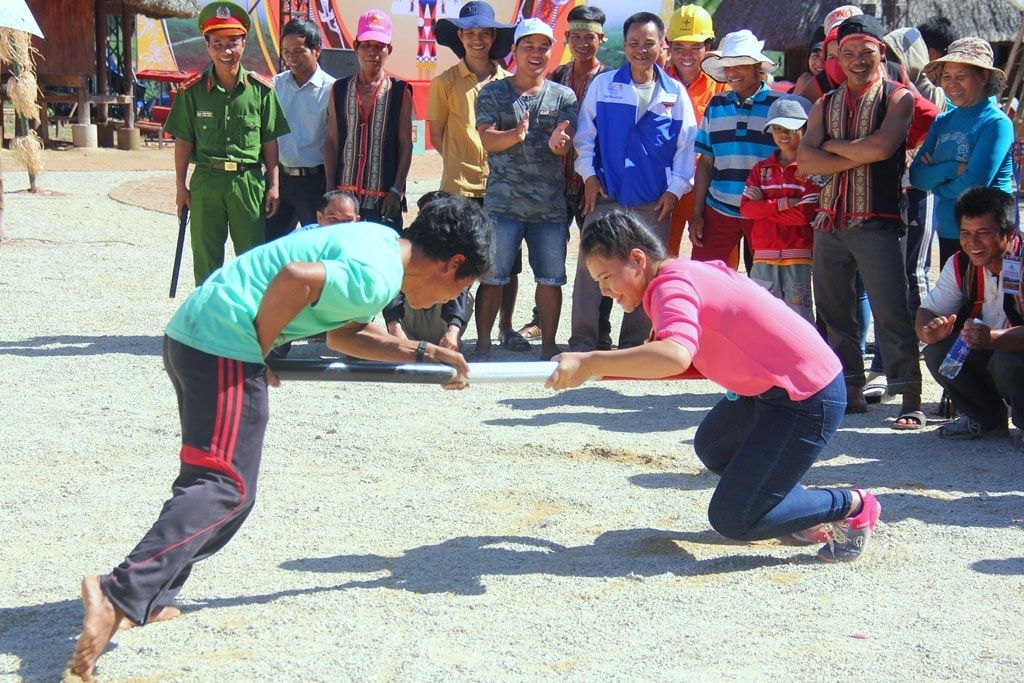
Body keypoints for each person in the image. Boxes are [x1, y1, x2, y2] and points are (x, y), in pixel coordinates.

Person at [69, 196, 496, 682]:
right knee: (224, 486)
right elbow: (297, 277)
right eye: (462, 285)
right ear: (453, 263)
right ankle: (119, 593)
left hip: (198, 335)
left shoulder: (378, 245)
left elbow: (345, 336)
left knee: (220, 485)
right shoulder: (376, 275)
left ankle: (148, 594)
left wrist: (421, 351)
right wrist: (263, 347)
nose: (449, 301)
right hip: (225, 344)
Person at [545, 211, 881, 563]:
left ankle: (853, 506)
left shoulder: (669, 286)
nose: (603, 289)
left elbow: (674, 355)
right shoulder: (683, 273)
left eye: (606, 276)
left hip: (806, 395)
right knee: (714, 445)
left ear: (638, 259)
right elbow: (678, 358)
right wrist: (592, 368)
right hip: (770, 388)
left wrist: (590, 361)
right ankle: (791, 509)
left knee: (734, 519)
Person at [797, 14, 924, 428]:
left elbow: (883, 148)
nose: (856, 60)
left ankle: (910, 396)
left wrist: (830, 146)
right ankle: (849, 389)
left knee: (891, 311)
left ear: (880, 53)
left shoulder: (898, 97)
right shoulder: (824, 102)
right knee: (836, 313)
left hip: (877, 219)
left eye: (865, 52)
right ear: (836, 57)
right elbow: (804, 159)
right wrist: (853, 149)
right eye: (847, 53)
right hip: (829, 222)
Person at [570, 11, 697, 353]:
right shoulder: (604, 85)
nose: (642, 50)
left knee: (647, 273)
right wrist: (590, 177)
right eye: (635, 43)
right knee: (590, 268)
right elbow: (585, 136)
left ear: (662, 46)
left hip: (653, 202)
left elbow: (686, 147)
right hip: (607, 197)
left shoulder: (675, 94)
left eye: (649, 44)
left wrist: (675, 190)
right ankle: (583, 342)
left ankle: (633, 347)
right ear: (624, 46)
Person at [162, 0, 290, 284]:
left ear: (244, 42)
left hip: (248, 183)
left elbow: (270, 141)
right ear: (207, 45)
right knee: (207, 258)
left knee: (251, 259)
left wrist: (274, 185)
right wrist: (180, 185)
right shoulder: (192, 92)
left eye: (232, 42)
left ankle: (249, 322)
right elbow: (183, 141)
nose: (226, 51)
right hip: (207, 182)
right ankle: (207, 324)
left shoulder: (261, 91)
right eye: (217, 44)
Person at [473, 18, 578, 361]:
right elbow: (487, 138)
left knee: (551, 279)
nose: (536, 53)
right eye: (528, 46)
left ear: (551, 52)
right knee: (493, 277)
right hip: (502, 205)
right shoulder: (493, 92)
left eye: (543, 47)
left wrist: (560, 146)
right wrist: (514, 135)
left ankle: (548, 346)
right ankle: (484, 344)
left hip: (548, 208)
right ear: (514, 51)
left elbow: (567, 144)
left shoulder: (564, 96)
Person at [429, 1, 527, 352]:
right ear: (460, 36)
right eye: (470, 32)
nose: (478, 39)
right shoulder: (444, 82)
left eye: (485, 33)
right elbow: (437, 137)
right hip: (458, 188)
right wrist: (464, 162)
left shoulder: (510, 83)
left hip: (503, 187)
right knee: (459, 262)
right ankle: (453, 331)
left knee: (507, 265)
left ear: (494, 37)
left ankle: (505, 327)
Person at [521, 3, 612, 347]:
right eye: (576, 36)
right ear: (567, 38)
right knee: (549, 254)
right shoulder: (554, 76)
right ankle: (541, 321)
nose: (583, 43)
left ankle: (598, 327)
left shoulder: (611, 79)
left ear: (601, 38)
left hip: (594, 183)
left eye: (589, 37)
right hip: (555, 184)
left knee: (597, 254)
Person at [916, 187, 1024, 443]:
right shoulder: (959, 264)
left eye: (983, 234)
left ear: (1009, 234)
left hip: (1012, 354)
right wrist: (928, 331)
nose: (972, 244)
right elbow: (927, 311)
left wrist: (993, 339)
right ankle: (987, 420)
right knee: (938, 351)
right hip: (989, 346)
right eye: (966, 234)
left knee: (1007, 360)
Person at [910, 37, 1013, 268]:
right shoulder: (942, 121)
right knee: (955, 300)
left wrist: (935, 181)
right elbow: (916, 176)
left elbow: (975, 184)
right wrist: (953, 169)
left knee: (984, 301)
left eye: (961, 76)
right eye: (947, 77)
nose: (952, 84)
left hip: (987, 235)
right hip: (948, 230)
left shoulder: (996, 123)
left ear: (983, 76)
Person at [688, 29, 782, 267]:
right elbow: (706, 162)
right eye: (727, 66)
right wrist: (698, 213)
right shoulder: (716, 104)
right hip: (717, 209)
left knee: (764, 285)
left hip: (764, 213)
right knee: (706, 281)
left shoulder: (778, 106)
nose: (731, 72)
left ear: (756, 66)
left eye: (739, 64)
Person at [325, 9, 412, 231]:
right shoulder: (340, 88)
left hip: (383, 199)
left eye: (379, 46)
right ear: (355, 47)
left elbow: (405, 145)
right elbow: (333, 141)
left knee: (381, 259)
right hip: (344, 199)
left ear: (389, 50)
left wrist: (396, 190)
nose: (372, 51)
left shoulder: (400, 91)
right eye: (366, 44)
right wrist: (330, 189)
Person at [739, 96, 818, 323]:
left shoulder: (812, 168)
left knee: (799, 316)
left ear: (806, 128)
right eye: (777, 128)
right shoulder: (760, 169)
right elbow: (747, 209)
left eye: (791, 129)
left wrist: (764, 206)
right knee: (762, 316)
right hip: (763, 255)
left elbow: (803, 215)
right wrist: (785, 203)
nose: (783, 135)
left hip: (798, 254)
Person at [662, 3, 728, 258]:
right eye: (679, 47)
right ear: (669, 46)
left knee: (714, 265)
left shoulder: (721, 86)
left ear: (708, 47)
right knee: (662, 262)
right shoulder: (657, 82)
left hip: (710, 187)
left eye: (695, 47)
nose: (686, 55)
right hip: (666, 187)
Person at [265, 18, 335, 241]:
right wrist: (272, 184)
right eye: (286, 51)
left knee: (315, 248)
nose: (291, 57)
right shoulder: (274, 86)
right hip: (279, 180)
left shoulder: (332, 90)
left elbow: (335, 142)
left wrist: (330, 189)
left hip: (315, 183)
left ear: (317, 50)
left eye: (298, 51)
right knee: (270, 247)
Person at [384, 191, 475, 351]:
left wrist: (453, 329)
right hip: (410, 317)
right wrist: (393, 325)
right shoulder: (404, 242)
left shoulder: (457, 245)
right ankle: (402, 341)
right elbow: (392, 284)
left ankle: (450, 339)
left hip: (442, 319)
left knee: (458, 286)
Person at [295, 190, 361, 230]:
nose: (339, 226)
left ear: (357, 220)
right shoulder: (300, 240)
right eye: (333, 219)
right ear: (319, 217)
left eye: (348, 220)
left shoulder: (365, 244)